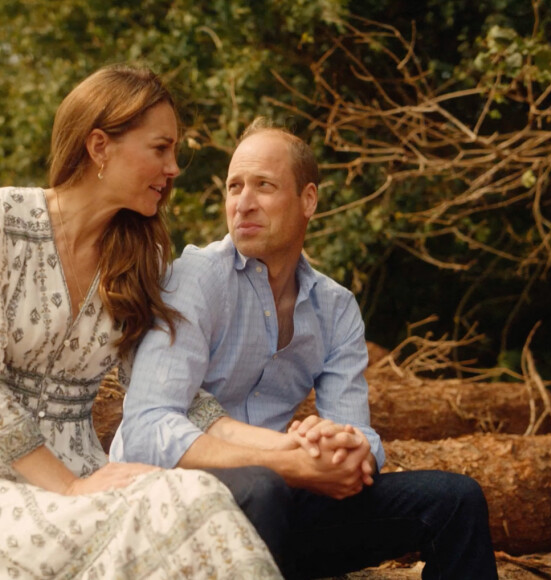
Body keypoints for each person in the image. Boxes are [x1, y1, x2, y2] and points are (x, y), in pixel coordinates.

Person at [112, 117, 500, 579]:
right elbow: (148, 427)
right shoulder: (194, 280)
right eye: (234, 187)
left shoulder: (335, 308)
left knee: (455, 500)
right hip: (175, 510)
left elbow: (361, 433)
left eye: (264, 186)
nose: (243, 204)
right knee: (263, 486)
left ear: (308, 200)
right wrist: (288, 459)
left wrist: (346, 449)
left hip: (284, 501)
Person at [0, 66, 281, 579]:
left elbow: (168, 388)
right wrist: (64, 487)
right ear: (100, 146)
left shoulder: (139, 257)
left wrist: (283, 448)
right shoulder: (5, 223)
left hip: (90, 476)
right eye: (160, 149)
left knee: (196, 494)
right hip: (26, 489)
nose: (174, 168)